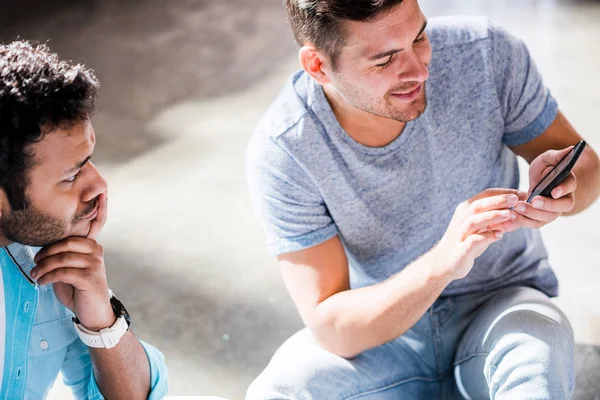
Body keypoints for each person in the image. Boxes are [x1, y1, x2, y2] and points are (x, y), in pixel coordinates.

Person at [245, 0, 600, 398]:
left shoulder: (486, 52)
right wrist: (443, 262)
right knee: (283, 389)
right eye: (384, 60)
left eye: (419, 37)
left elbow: (587, 172)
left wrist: (566, 188)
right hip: (384, 330)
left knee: (537, 365)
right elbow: (334, 329)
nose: (419, 70)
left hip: (502, 305)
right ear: (318, 66)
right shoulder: (285, 149)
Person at [0, 40, 168, 399]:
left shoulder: (42, 259)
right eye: (71, 176)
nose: (99, 184)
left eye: (88, 160)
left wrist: (99, 316)